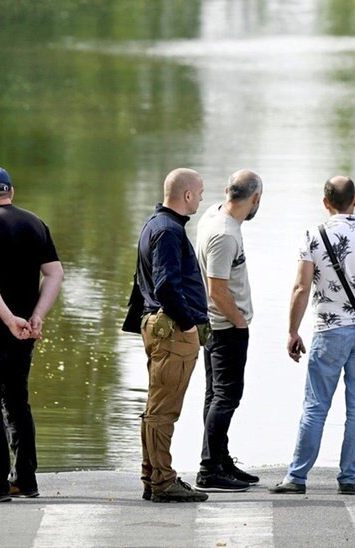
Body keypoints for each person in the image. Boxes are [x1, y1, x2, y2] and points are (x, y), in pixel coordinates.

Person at [273, 176, 355, 496]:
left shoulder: (313, 236)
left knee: (316, 406)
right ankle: (348, 479)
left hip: (329, 331)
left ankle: (297, 477)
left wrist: (292, 330)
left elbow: (302, 288)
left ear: (325, 202)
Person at [0, 166, 64, 503]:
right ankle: (26, 479)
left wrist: (8, 319)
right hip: (25, 334)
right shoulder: (35, 223)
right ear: (11, 192)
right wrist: (36, 316)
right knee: (17, 402)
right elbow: (54, 273)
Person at [133, 167, 209, 503]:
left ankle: (153, 475)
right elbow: (165, 285)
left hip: (159, 326)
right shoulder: (167, 230)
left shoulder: (155, 224)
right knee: (164, 410)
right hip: (172, 331)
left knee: (156, 407)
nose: (202, 199)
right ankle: (163, 480)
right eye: (200, 193)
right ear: (187, 195)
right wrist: (189, 323)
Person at [194, 169, 263, 492]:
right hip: (224, 326)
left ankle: (220, 459)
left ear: (227, 191)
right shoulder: (224, 234)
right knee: (226, 396)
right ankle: (209, 470)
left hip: (216, 324)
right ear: (255, 198)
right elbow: (217, 289)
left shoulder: (215, 214)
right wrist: (239, 321)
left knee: (216, 395)